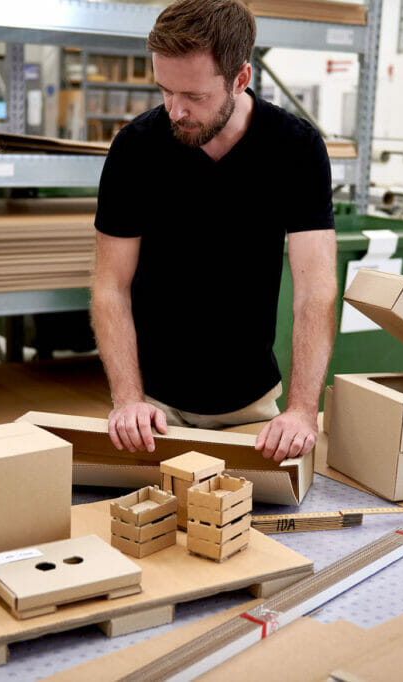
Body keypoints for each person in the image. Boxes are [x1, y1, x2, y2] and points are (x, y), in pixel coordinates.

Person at [91, 0, 337, 463]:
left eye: (195, 97)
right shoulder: (135, 150)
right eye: (165, 90)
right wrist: (127, 400)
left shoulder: (296, 149)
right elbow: (110, 286)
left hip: (252, 408)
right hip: (154, 409)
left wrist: (303, 410)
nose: (175, 110)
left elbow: (315, 289)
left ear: (241, 79)